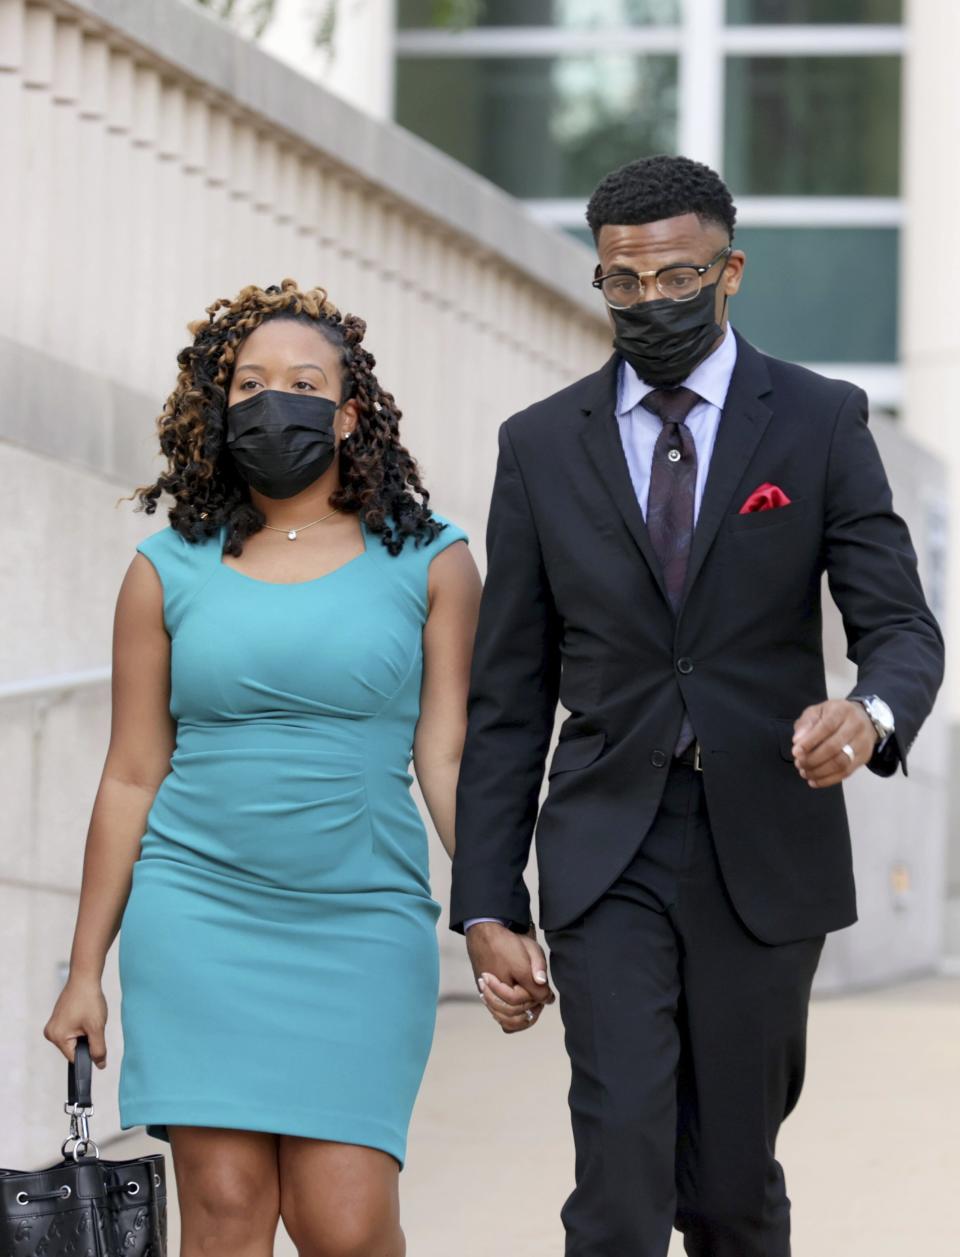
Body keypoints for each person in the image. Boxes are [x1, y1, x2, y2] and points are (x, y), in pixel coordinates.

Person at [450, 156, 944, 1257]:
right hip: (605, 846)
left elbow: (903, 628)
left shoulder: (817, 421)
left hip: (763, 849)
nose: (652, 304)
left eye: (678, 278)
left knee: (731, 1192)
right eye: (624, 285)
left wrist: (867, 713)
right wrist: (488, 901)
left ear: (731, 271)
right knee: (618, 1190)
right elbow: (509, 694)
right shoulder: (540, 443)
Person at [43, 279, 481, 1257]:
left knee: (346, 1222)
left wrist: (495, 904)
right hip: (196, 910)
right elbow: (128, 775)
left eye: (302, 382)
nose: (272, 401)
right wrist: (83, 972)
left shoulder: (432, 561)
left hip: (360, 916)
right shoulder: (167, 567)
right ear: (219, 404)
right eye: (249, 383)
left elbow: (446, 754)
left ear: (348, 410)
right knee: (228, 1209)